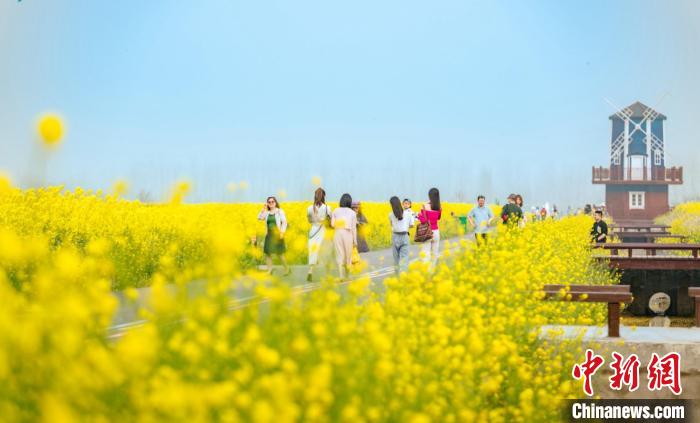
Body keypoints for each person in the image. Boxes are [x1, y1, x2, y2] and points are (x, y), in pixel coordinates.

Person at [257, 196, 290, 275]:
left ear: (275, 203)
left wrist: (282, 233)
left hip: (277, 234)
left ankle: (287, 269)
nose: (271, 203)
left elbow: (284, 222)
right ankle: (270, 270)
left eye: (272, 201)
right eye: (269, 202)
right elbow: (259, 218)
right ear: (267, 204)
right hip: (269, 235)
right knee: (268, 254)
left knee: (279, 254)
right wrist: (263, 209)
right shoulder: (267, 213)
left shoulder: (280, 211)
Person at [306, 187, 332, 282]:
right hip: (323, 231)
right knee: (325, 252)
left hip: (313, 230)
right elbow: (330, 221)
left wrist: (315, 220)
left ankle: (310, 271)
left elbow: (309, 220)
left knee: (313, 250)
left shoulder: (309, 208)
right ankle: (327, 274)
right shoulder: (327, 208)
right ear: (324, 196)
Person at [331, 193, 357, 280]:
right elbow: (354, 228)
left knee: (339, 254)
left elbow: (332, 224)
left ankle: (341, 276)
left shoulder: (335, 210)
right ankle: (348, 275)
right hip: (348, 233)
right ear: (349, 202)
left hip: (337, 233)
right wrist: (355, 241)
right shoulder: (353, 213)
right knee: (348, 255)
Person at [389, 196, 414, 275]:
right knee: (404, 259)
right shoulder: (408, 213)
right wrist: (405, 226)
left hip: (395, 236)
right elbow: (411, 225)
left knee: (396, 259)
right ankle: (403, 278)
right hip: (404, 236)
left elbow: (391, 225)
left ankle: (397, 277)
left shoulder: (390, 214)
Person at [417, 188, 442, 268]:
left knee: (426, 253)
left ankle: (426, 273)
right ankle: (432, 272)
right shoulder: (439, 207)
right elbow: (438, 218)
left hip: (427, 232)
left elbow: (423, 221)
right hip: (436, 232)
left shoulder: (425, 206)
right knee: (435, 254)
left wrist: (419, 215)